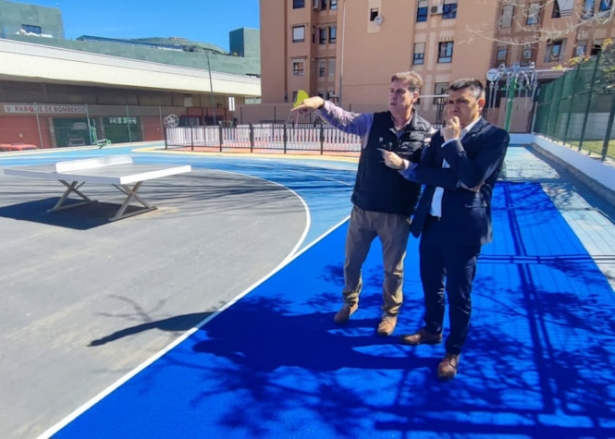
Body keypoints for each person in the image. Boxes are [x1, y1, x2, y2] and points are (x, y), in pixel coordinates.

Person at [381, 78, 509, 380]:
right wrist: (454, 178)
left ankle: (453, 351)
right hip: (432, 224)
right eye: (450, 101)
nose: (453, 107)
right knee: (430, 284)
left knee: (459, 294)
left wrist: (453, 143)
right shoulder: (438, 136)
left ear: (479, 104)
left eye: (461, 101)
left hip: (464, 230)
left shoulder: (495, 137)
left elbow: (474, 177)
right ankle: (432, 330)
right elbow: (428, 173)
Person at [291, 72, 432, 336]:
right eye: (391, 90)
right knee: (351, 263)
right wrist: (320, 103)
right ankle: (350, 302)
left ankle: (390, 313)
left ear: (415, 96)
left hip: (397, 215)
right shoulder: (372, 122)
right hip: (363, 210)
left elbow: (426, 173)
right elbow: (344, 119)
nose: (393, 95)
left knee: (394, 270)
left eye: (400, 91)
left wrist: (405, 166)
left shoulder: (426, 133)